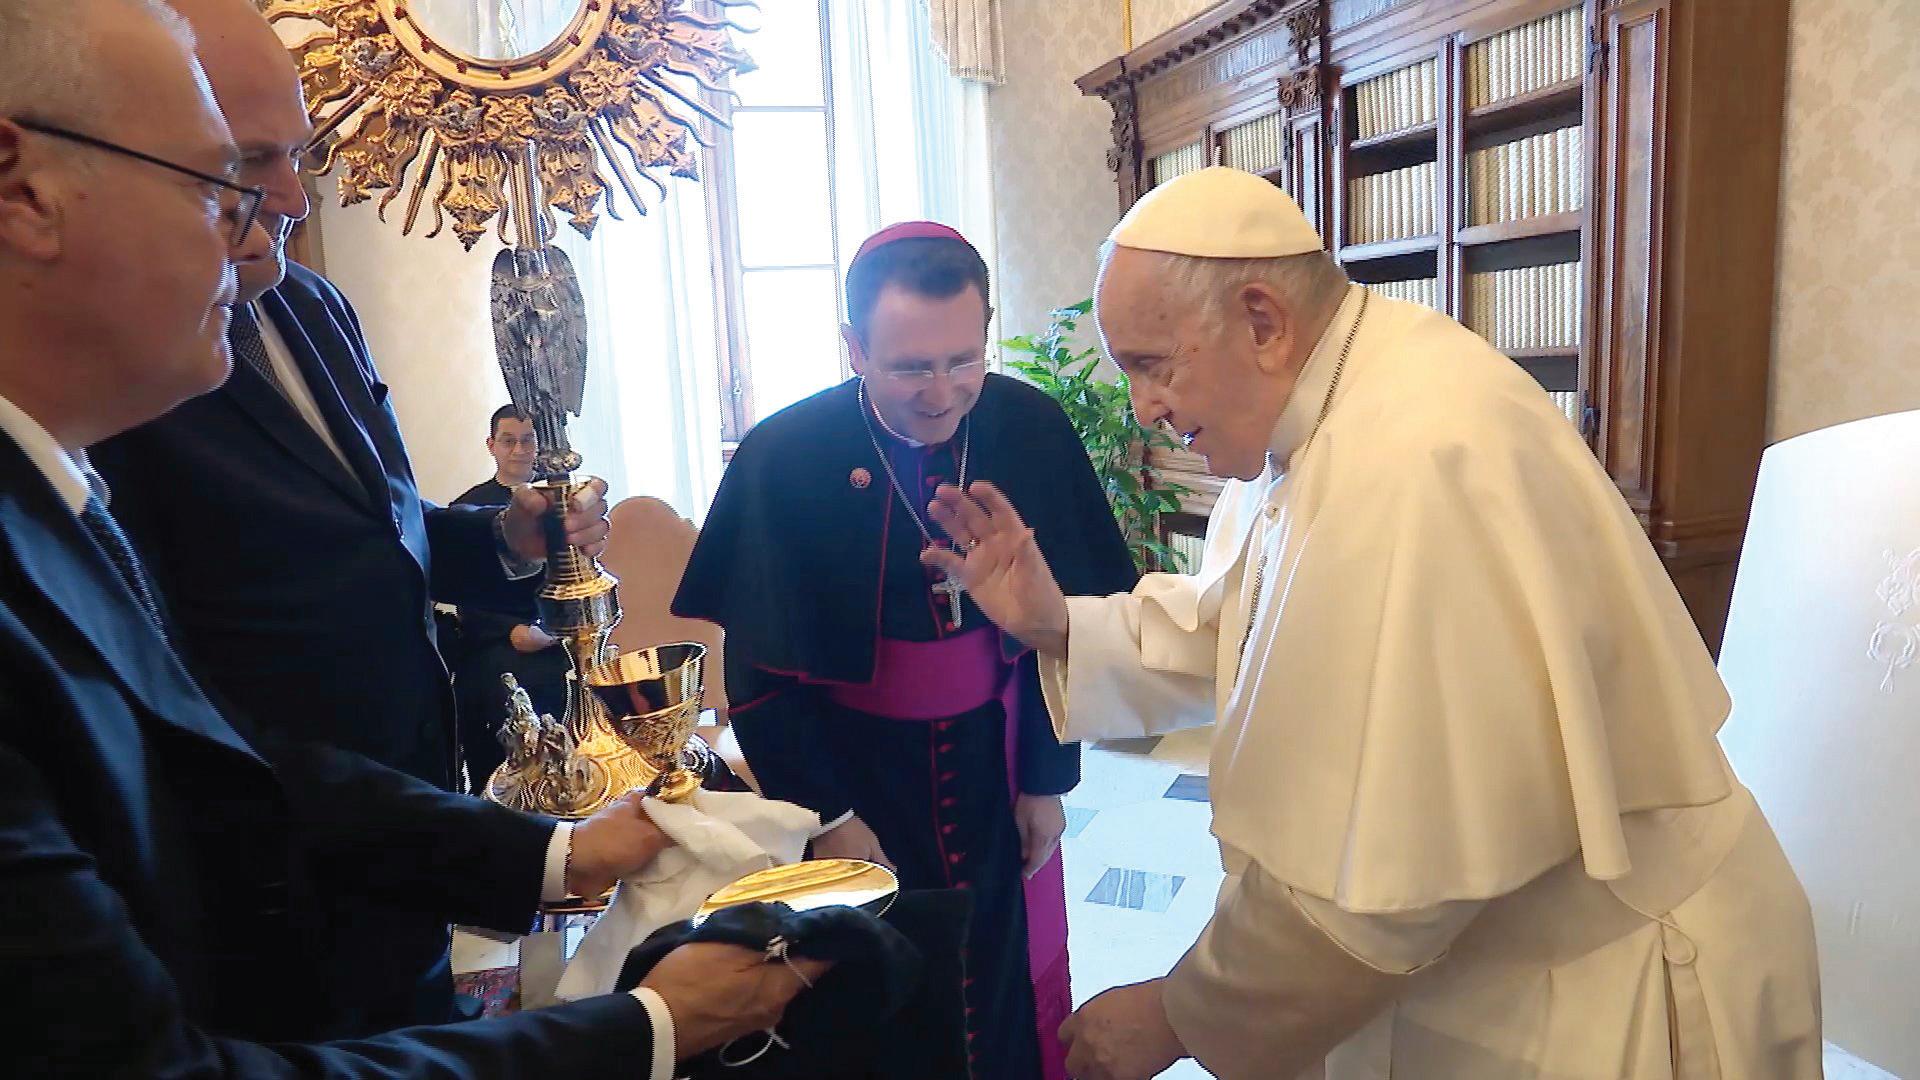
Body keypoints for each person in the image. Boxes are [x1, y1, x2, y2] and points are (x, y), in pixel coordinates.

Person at [0, 1, 822, 1075]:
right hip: (255, 926)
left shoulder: (273, 334)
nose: (271, 213)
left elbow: (358, 552)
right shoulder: (114, 433)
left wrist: (551, 853)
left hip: (385, 843)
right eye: (222, 175)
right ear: (24, 190)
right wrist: (648, 1029)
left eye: (294, 158)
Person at [923, 168, 1824, 1080]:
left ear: (1263, 322)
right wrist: (1056, 625)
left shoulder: (1413, 454)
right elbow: (1246, 632)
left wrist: (1179, 1013)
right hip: (1502, 972)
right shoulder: (1314, 418)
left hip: (1616, 981)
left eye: (1152, 364)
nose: (1141, 408)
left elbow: (1390, 889)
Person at [85, 0, 604, 1035]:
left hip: (409, 822)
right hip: (262, 871)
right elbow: (168, 684)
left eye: (302, 152)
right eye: (250, 160)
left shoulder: (313, 307)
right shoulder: (120, 366)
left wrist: (506, 537)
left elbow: (378, 528)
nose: (292, 194)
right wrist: (535, 859)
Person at [673, 222, 1138, 1080]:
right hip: (856, 771)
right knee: (878, 992)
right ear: (854, 347)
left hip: (997, 756)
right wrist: (830, 815)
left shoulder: (1028, 427)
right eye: (911, 368)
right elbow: (762, 677)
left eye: (964, 359)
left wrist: (1045, 779)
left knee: (995, 976)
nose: (943, 393)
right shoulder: (787, 455)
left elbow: (1075, 625)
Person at [450, 405, 571, 790]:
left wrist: (549, 630)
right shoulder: (467, 509)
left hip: (554, 635)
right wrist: (511, 631)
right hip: (494, 639)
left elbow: (574, 575)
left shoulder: (560, 502)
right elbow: (465, 593)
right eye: (508, 441)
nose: (519, 450)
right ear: (492, 445)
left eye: (528, 440)